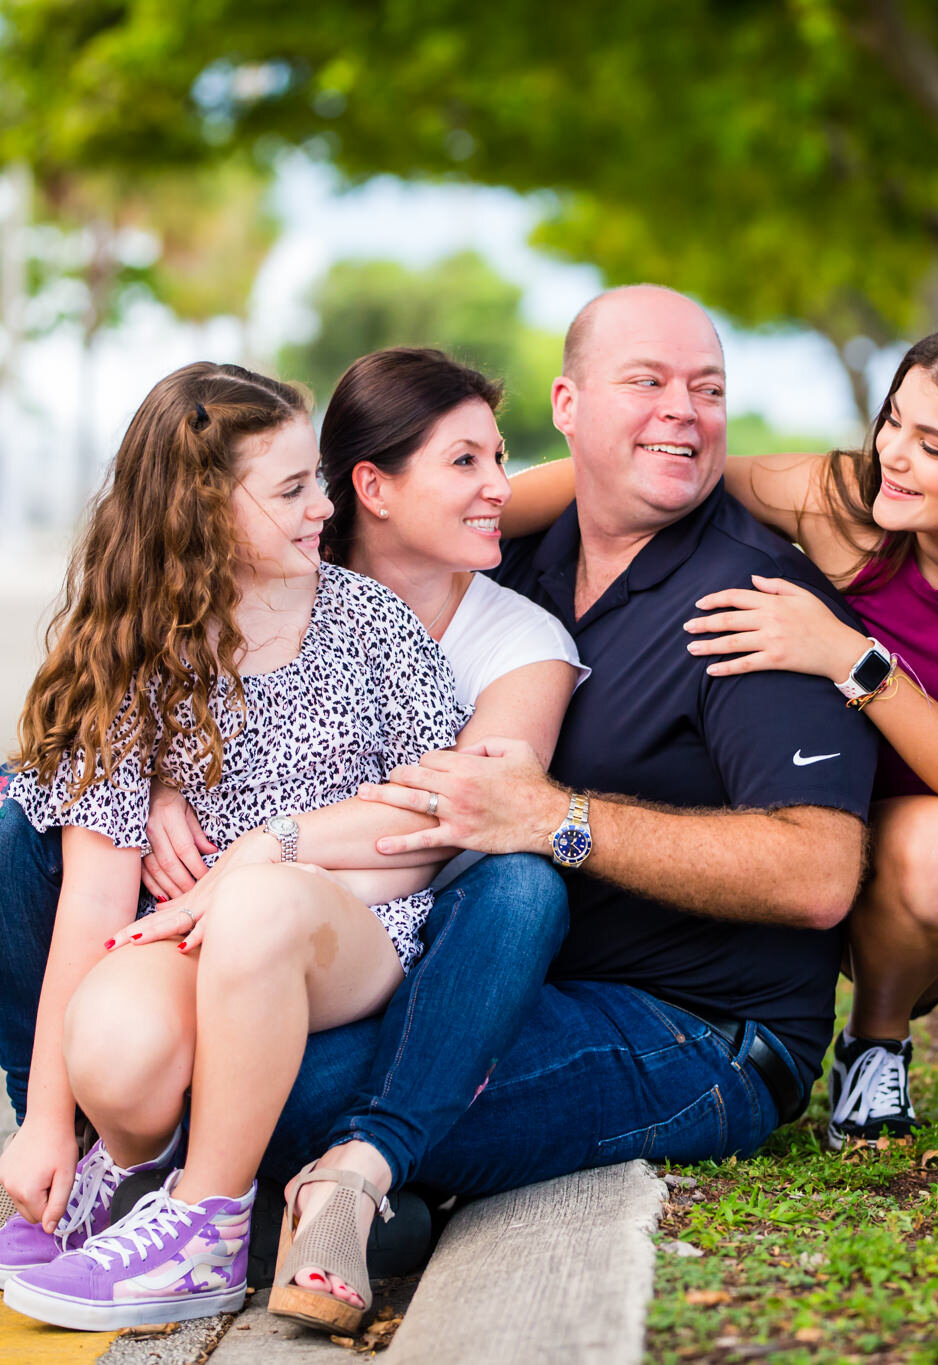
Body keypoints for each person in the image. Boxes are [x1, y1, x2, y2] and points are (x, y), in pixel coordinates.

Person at [250, 283, 879, 1330]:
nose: (683, 409)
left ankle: (348, 1179)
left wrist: (558, 818)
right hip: (504, 975)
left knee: (296, 1079)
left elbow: (818, 876)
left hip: (698, 1036)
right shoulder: (526, 555)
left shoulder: (750, 603)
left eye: (707, 389)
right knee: (232, 1016)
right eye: (646, 382)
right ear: (568, 407)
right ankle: (364, 1192)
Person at [0, 353, 583, 1333]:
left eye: (314, 482)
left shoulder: (368, 621)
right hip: (204, 931)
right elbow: (94, 896)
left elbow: (425, 825)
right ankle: (108, 1163)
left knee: (261, 897)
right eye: (289, 489)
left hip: (355, 927)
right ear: (203, 510)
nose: (320, 507)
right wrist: (45, 1118)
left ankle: (204, 1220)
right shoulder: (134, 653)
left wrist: (271, 853)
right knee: (114, 1046)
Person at [503, 314, 938, 1151]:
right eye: (895, 420)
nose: (893, 452)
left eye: (933, 444)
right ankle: (875, 1043)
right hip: (896, 830)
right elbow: (638, 472)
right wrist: (443, 517)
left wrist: (856, 661)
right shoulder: (845, 503)